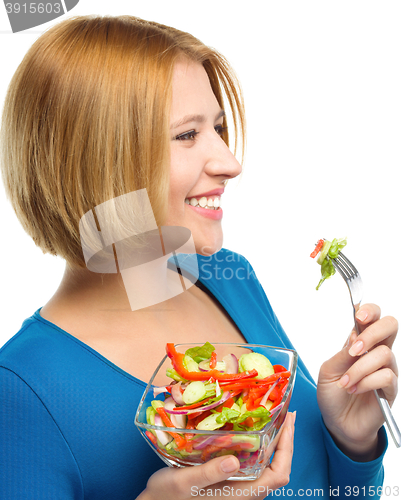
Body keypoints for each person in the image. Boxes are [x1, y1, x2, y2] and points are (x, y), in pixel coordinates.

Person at [0, 15, 398, 500]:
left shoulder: (229, 279)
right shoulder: (22, 393)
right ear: (95, 157)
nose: (231, 162)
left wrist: (351, 442)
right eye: (187, 135)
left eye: (219, 127)